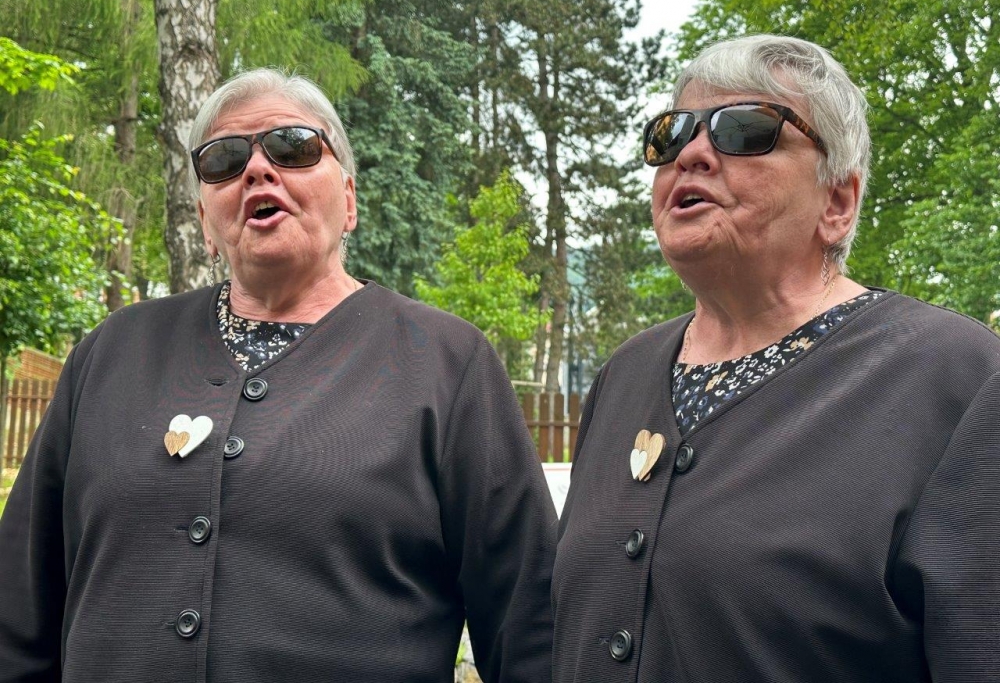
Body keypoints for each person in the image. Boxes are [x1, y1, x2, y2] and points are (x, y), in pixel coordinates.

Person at [0, 68, 556, 683]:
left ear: (349, 199)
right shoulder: (111, 354)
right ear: (204, 220)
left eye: (293, 147)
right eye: (224, 160)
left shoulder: (446, 363)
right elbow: (18, 612)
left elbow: (529, 627)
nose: (258, 170)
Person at [551, 34, 1000, 682]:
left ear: (837, 203)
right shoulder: (625, 374)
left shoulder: (956, 377)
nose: (692, 154)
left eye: (745, 130)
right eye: (671, 136)